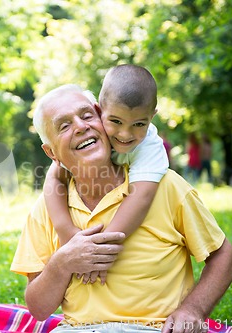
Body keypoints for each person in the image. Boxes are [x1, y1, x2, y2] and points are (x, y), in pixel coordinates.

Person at [10, 84, 232, 333]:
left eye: (87, 116)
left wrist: (193, 309)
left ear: (106, 123)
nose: (81, 126)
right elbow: (39, 309)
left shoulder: (165, 186)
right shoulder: (46, 209)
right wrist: (62, 262)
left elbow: (223, 255)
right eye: (64, 125)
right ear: (51, 152)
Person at [42, 65, 168, 284]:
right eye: (116, 122)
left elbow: (141, 198)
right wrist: (66, 232)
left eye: (139, 124)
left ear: (152, 117)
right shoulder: (95, 135)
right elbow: (54, 177)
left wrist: (97, 253)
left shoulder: (149, 148)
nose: (125, 134)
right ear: (100, 111)